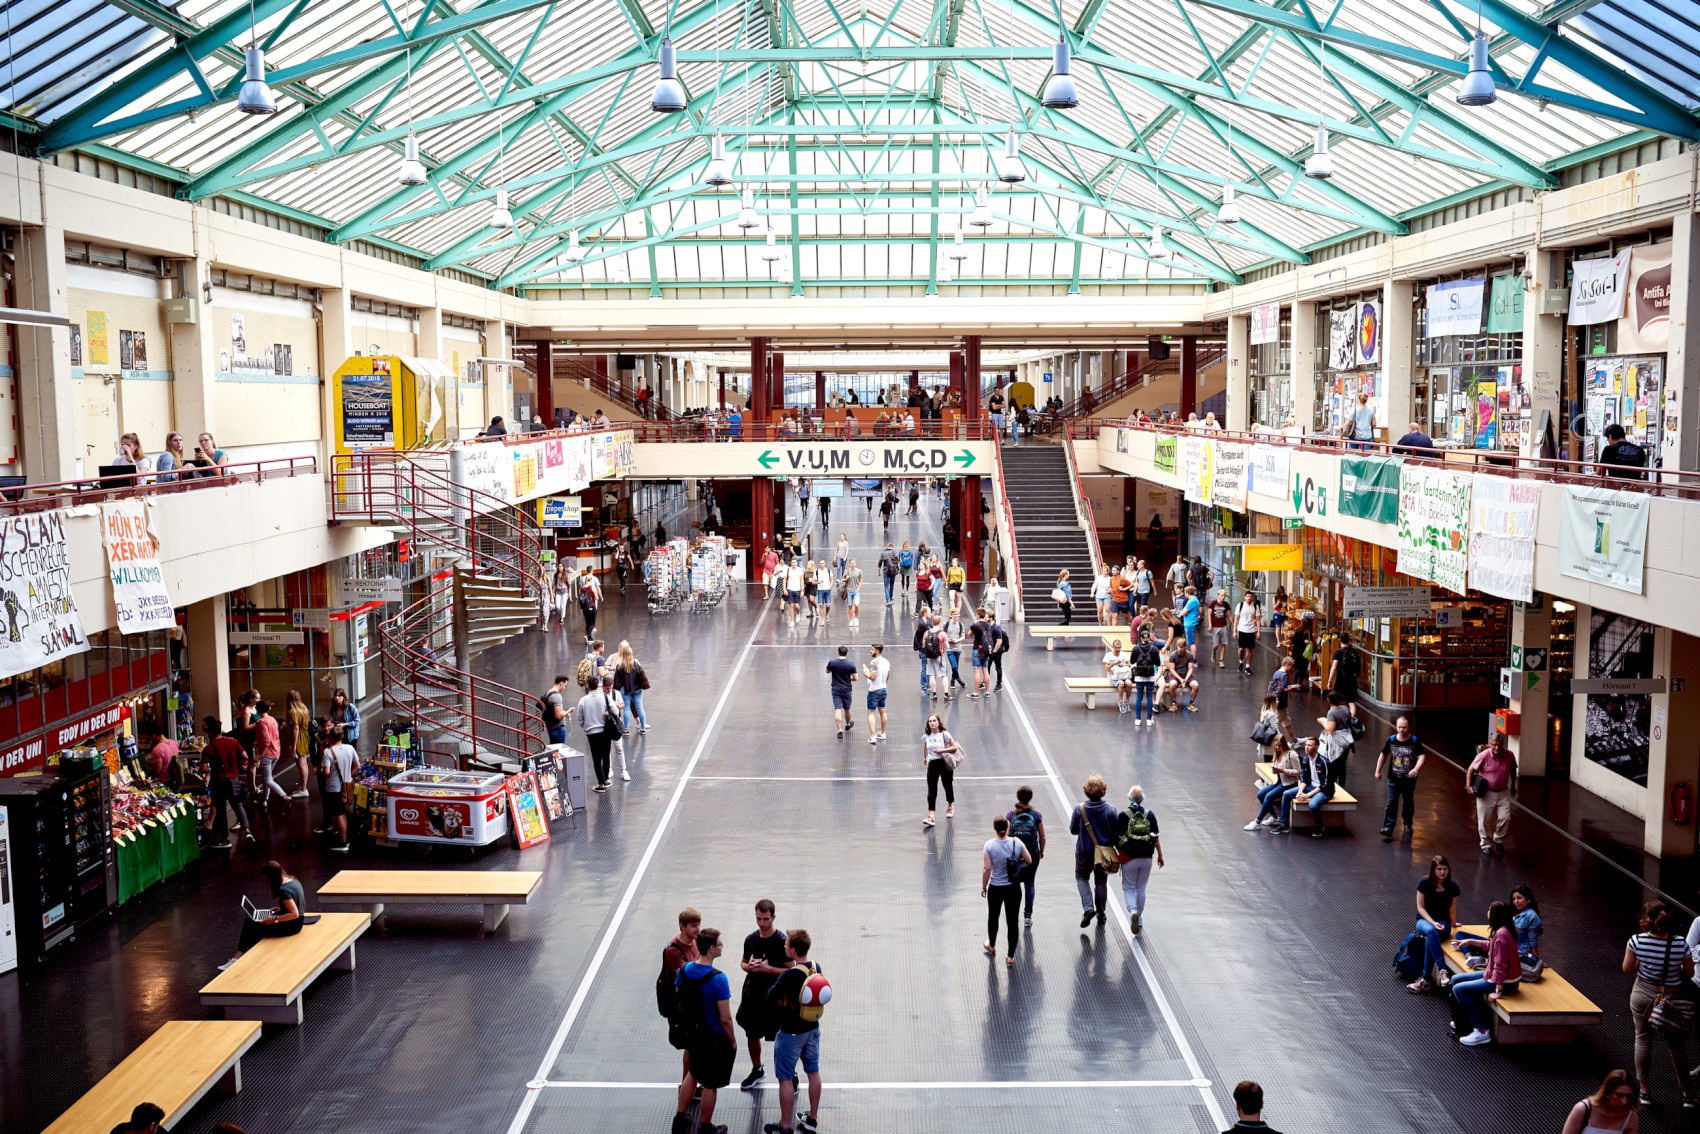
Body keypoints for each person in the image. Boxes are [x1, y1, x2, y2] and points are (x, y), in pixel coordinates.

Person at [1625, 900, 1697, 1106]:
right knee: (1677, 1045)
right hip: (1672, 998)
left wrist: (1642, 961)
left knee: (1643, 1038)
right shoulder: (1680, 944)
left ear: (1648, 920)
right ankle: (1687, 1094)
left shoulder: (1636, 941)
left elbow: (1627, 968)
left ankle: (1645, 1091)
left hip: (1642, 995)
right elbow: (1690, 973)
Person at [674, 927, 736, 1134]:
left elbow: (679, 997)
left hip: (692, 1032)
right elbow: (725, 1018)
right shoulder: (719, 979)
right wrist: (732, 1040)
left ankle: (680, 1119)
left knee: (692, 1073)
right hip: (713, 1037)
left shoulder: (683, 970)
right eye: (719, 944)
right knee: (710, 1083)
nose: (722, 947)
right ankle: (705, 1126)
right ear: (711, 949)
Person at [762, 930, 824, 1134]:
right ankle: (812, 1119)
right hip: (812, 1029)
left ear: (794, 949)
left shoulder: (789, 975)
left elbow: (771, 997)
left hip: (790, 1033)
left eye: (787, 944)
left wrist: (781, 1000)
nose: (784, 946)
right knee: (813, 1072)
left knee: (785, 1078)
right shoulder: (815, 967)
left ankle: (785, 1126)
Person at [1451, 899, 1521, 1046]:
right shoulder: (1504, 930)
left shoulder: (1502, 934)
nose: (1487, 911)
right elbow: (1491, 945)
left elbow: (1501, 965)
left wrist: (1498, 991)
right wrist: (1470, 941)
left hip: (1504, 982)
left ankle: (1481, 1030)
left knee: (1459, 989)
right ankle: (1468, 1019)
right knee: (1456, 979)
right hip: (1497, 976)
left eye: (1490, 909)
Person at [735, 901, 789, 1092]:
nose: (761, 923)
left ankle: (791, 1075)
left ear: (773, 917)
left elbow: (791, 969)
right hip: (753, 995)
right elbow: (742, 962)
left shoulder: (781, 941)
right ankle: (757, 1069)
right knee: (752, 1034)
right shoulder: (751, 939)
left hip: (775, 997)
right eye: (758, 918)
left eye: (766, 919)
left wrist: (768, 969)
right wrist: (748, 967)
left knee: (782, 1039)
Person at [218, 859, 306, 970]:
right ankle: (246, 954)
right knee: (252, 923)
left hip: (292, 926)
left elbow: (294, 913)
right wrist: (281, 909)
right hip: (296, 922)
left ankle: (237, 958)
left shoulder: (283, 890)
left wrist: (274, 918)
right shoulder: (292, 879)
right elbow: (297, 904)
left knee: (250, 924)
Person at [1069, 774, 1120, 928]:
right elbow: (1115, 835)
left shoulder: (1079, 809)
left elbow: (1073, 830)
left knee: (1081, 878)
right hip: (1104, 855)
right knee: (1101, 883)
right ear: (1103, 790)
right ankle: (1101, 915)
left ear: (1086, 790)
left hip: (1084, 852)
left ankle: (1088, 908)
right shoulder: (1111, 810)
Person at [1406, 855, 1460, 993]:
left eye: (1445, 869)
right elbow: (1421, 908)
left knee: (1431, 938)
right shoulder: (1424, 883)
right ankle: (1442, 970)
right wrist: (1433, 922)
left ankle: (1425, 980)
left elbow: (1452, 908)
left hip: (1443, 923)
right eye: (1439, 869)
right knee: (1431, 931)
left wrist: (1453, 923)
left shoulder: (1452, 887)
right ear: (1433, 870)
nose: (1443, 872)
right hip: (1424, 921)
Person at [981, 816, 1031, 966]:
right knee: (1012, 921)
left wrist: (984, 886)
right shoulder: (1017, 843)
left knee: (993, 916)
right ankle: (1010, 956)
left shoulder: (989, 845)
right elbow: (1029, 860)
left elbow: (987, 869)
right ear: (1008, 827)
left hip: (996, 887)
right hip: (1013, 888)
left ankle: (992, 946)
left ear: (994, 828)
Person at [1116, 784, 1163, 934]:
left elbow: (1117, 839)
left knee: (1129, 888)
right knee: (1141, 888)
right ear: (1142, 799)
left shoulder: (1123, 816)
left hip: (1129, 858)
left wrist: (1119, 854)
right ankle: (1140, 917)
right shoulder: (1150, 815)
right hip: (1147, 858)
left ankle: (1132, 912)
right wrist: (1160, 855)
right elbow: (1156, 838)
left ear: (1129, 798)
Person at [203, 718, 254, 849]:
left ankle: (224, 839)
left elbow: (203, 768)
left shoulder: (208, 749)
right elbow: (245, 756)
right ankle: (247, 831)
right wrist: (236, 765)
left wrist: (210, 769)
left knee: (221, 811)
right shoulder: (233, 742)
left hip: (218, 783)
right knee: (238, 806)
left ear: (210, 733)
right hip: (234, 780)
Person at [1374, 714, 1425, 840]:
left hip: (1408, 779)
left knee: (1408, 801)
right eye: (1399, 727)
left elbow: (1421, 756)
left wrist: (1416, 769)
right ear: (1396, 727)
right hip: (1393, 778)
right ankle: (1388, 828)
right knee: (1391, 801)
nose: (1402, 730)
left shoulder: (1414, 741)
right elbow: (1383, 755)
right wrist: (1378, 770)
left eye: (1404, 727)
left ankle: (1407, 823)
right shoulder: (1391, 740)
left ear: (1408, 727)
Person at [1468, 733, 1516, 857]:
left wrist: (1513, 786)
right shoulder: (1483, 756)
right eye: (1494, 745)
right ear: (1490, 744)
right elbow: (1471, 769)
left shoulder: (1509, 755)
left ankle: (1498, 838)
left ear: (1503, 745)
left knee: (1505, 818)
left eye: (1499, 745)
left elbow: (1512, 769)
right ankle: (1485, 844)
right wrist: (1468, 785)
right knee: (1484, 820)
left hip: (1503, 791)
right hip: (1486, 793)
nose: (1497, 748)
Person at [1006, 786, 1045, 927]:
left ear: (1017, 797)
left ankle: (1014, 915)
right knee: (1030, 883)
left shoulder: (1010, 815)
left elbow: (1006, 836)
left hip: (1015, 854)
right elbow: (1042, 836)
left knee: (1014, 884)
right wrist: (1041, 850)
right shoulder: (1036, 815)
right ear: (1031, 797)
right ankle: (1028, 916)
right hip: (1032, 853)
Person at [1560, 1070, 1640, 1134]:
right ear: (1608, 1092)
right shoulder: (1583, 1109)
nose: (1624, 1101)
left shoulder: (1631, 1118)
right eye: (1619, 1096)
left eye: (1629, 1096)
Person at [1247, 735, 1299, 830]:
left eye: (1280, 745)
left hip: (1289, 784)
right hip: (1279, 782)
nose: (1278, 748)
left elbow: (1298, 772)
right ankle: (1275, 817)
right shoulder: (1277, 754)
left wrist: (1283, 771)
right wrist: (1274, 770)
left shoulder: (1292, 755)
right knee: (1260, 794)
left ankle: (1257, 821)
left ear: (1284, 744)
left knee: (1269, 796)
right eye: (1276, 746)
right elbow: (1275, 766)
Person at [578, 672, 618, 793]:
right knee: (606, 756)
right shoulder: (605, 697)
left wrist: (586, 726)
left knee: (596, 759)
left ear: (588, 686)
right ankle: (605, 780)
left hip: (592, 733)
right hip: (605, 730)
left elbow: (579, 719)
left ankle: (600, 784)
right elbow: (615, 711)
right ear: (598, 685)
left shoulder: (583, 700)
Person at [923, 714, 959, 826]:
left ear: (938, 722)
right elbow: (925, 747)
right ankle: (931, 816)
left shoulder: (945, 734)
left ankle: (950, 805)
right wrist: (925, 758)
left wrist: (942, 751)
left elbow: (954, 747)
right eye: (930, 721)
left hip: (944, 763)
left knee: (947, 785)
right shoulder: (926, 736)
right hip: (933, 764)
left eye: (934, 721)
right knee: (931, 790)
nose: (932, 723)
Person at [251, 699, 289, 808]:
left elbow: (266, 741)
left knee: (267, 779)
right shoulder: (272, 719)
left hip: (267, 754)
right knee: (267, 777)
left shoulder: (262, 722)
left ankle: (284, 796)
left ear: (257, 710)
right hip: (276, 752)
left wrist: (259, 755)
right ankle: (264, 800)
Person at [281, 689, 311, 799]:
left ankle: (303, 789)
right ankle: (304, 787)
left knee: (301, 764)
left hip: (299, 738)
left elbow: (295, 728)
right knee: (304, 763)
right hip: (305, 736)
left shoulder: (292, 711)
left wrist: (293, 746)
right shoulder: (303, 708)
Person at [615, 642, 650, 735]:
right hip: (637, 689)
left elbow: (616, 679)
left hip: (625, 690)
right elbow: (641, 675)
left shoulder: (620, 666)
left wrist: (620, 688)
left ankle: (626, 729)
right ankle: (643, 728)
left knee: (626, 708)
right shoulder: (636, 663)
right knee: (640, 708)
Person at [1130, 626, 1162, 726]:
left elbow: (1132, 661)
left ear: (1140, 638)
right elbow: (1157, 663)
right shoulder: (1154, 649)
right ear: (1149, 638)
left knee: (1139, 697)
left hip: (1139, 676)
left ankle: (1137, 719)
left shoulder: (1136, 648)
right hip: (1150, 676)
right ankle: (1148, 719)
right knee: (1149, 697)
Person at [1157, 638, 1198, 714]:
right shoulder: (1173, 655)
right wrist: (1180, 679)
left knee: (1195, 685)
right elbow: (1172, 670)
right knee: (1172, 684)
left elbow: (1190, 669)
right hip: (1176, 675)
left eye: (1182, 647)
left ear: (1185, 647)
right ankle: (1173, 703)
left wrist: (1186, 678)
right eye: (1179, 647)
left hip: (1186, 674)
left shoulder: (1189, 655)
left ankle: (1191, 703)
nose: (1180, 649)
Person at [825, 645, 858, 739]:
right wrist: (849, 678)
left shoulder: (832, 662)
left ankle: (839, 730)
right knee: (847, 709)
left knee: (837, 709)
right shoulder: (850, 664)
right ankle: (847, 724)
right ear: (846, 653)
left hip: (836, 689)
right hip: (847, 689)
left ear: (838, 652)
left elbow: (827, 671)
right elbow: (856, 678)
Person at [863, 644, 890, 743]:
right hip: (883, 689)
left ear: (877, 651)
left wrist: (866, 674)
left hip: (874, 690)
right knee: (882, 711)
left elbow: (873, 677)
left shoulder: (874, 662)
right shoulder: (886, 662)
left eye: (872, 649)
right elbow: (887, 676)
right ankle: (883, 733)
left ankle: (873, 736)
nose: (871, 651)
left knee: (871, 713)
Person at [1328, 628, 1363, 703]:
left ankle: (1336, 715)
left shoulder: (1338, 653)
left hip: (1341, 680)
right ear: (1349, 640)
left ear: (1339, 640)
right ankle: (1351, 715)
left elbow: (1334, 668)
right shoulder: (1354, 651)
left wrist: (1329, 681)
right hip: (1352, 680)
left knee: (1335, 702)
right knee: (1351, 703)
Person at [1267, 656, 1297, 741]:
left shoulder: (1276, 673)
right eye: (1292, 666)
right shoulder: (1285, 675)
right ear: (1288, 665)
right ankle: (1269, 740)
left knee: (1287, 722)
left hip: (1275, 701)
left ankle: (1295, 740)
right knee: (1274, 724)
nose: (1292, 669)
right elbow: (1283, 689)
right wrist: (1292, 687)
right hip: (1281, 703)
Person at [1103, 638, 1134, 715]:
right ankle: (1121, 702)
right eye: (1116, 647)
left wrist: (1124, 665)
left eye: (1119, 647)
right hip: (1113, 676)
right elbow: (1107, 668)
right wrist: (1114, 664)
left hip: (1124, 675)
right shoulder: (1108, 655)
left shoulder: (1124, 654)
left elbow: (1129, 664)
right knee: (1121, 684)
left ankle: (1127, 701)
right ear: (1113, 647)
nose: (1118, 649)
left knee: (1129, 683)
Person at [941, 608, 967, 691]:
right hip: (949, 648)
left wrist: (957, 640)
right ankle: (959, 680)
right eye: (954, 614)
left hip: (958, 648)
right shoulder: (946, 624)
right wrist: (947, 639)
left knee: (956, 666)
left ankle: (952, 681)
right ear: (951, 615)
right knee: (954, 665)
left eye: (957, 614)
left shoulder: (960, 625)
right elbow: (941, 634)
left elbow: (963, 636)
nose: (956, 616)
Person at [1234, 592, 1260, 674]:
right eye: (1248, 596)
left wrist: (1259, 631)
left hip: (1251, 630)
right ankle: (1241, 662)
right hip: (1242, 630)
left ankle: (1247, 666)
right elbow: (1236, 619)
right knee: (1241, 649)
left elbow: (1258, 619)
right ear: (1245, 597)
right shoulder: (1240, 605)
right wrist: (1234, 631)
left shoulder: (1255, 606)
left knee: (1249, 649)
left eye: (1251, 597)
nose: (1249, 598)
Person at [578, 567, 603, 643]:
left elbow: (579, 594)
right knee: (592, 623)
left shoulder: (582, 587)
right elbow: (596, 598)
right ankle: (587, 635)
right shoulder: (592, 588)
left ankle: (589, 638)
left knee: (587, 622)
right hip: (591, 606)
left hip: (584, 607)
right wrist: (599, 597)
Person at [1207, 589, 1231, 668]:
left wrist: (1234, 625)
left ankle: (1221, 660)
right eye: (1222, 595)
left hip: (1223, 626)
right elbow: (1209, 614)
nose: (1223, 597)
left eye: (1224, 596)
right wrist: (1210, 625)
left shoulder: (1226, 604)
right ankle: (1213, 651)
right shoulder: (1213, 603)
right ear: (1218, 595)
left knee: (1223, 644)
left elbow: (1229, 616)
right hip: (1215, 626)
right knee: (1216, 644)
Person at [1180, 585, 1202, 659]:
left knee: (1191, 643)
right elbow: (1184, 609)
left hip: (1189, 623)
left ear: (1187, 593)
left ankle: (1194, 660)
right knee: (1190, 641)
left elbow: (1184, 612)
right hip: (1191, 622)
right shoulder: (1193, 599)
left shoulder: (1192, 601)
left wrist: (1181, 613)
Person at [784, 556, 806, 628]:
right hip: (790, 589)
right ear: (791, 563)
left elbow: (802, 580)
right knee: (791, 605)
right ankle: (792, 621)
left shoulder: (800, 570)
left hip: (797, 590)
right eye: (792, 562)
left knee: (797, 606)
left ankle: (798, 613)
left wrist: (802, 590)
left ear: (797, 563)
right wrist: (784, 589)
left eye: (795, 562)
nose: (793, 564)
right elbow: (784, 580)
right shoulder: (787, 570)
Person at [842, 558, 862, 629]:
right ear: (850, 564)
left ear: (855, 563)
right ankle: (851, 620)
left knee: (856, 605)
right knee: (850, 606)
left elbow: (861, 580)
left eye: (854, 563)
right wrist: (846, 579)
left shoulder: (859, 571)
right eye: (851, 563)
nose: (853, 564)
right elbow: (842, 579)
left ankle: (856, 618)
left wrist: (859, 588)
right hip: (849, 590)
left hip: (856, 590)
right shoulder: (847, 571)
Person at [814, 560, 834, 626]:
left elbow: (832, 579)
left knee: (828, 605)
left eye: (823, 563)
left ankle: (827, 613)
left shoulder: (828, 570)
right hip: (820, 590)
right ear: (819, 564)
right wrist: (818, 582)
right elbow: (813, 582)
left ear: (824, 564)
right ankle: (822, 620)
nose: (822, 564)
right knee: (821, 605)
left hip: (827, 589)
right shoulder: (816, 571)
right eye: (820, 563)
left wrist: (830, 586)